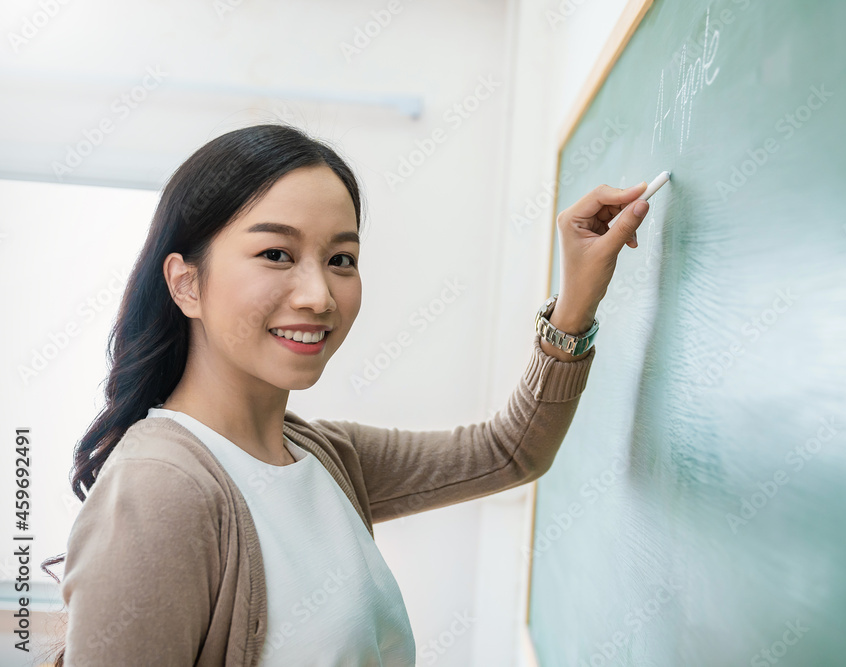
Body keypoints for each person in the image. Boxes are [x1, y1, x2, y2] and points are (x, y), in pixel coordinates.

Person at [39, 124, 651, 666]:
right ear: (186, 283)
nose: (318, 296)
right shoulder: (160, 489)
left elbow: (509, 451)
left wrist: (576, 304)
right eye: (275, 253)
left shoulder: (320, 455)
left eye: (341, 258)